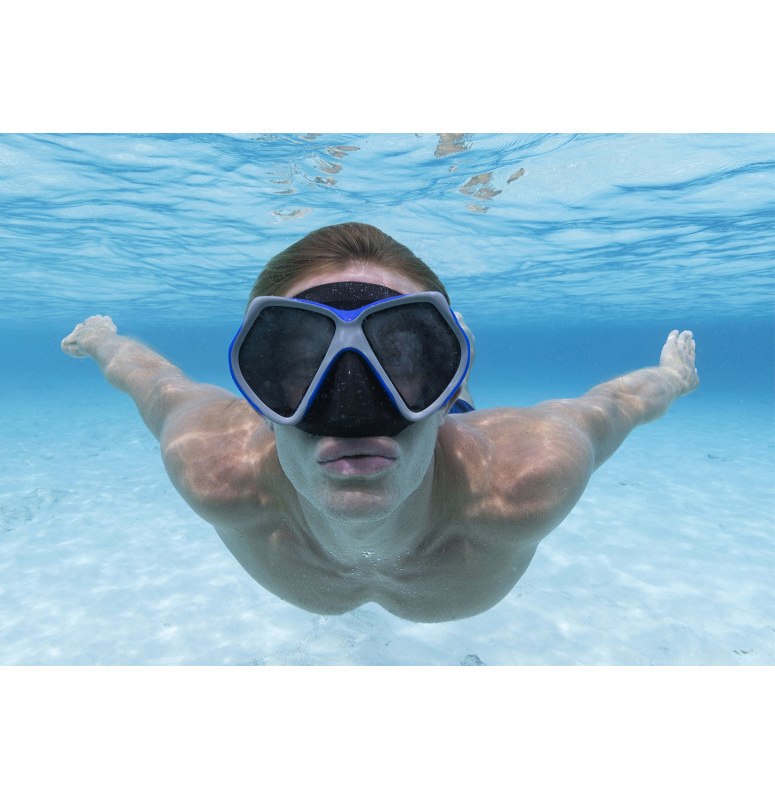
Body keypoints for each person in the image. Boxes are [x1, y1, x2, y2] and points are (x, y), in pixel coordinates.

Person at [61, 223, 698, 622]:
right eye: (300, 362)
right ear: (257, 386)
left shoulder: (523, 480)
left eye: (404, 356)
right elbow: (153, 382)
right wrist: (102, 340)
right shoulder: (215, 467)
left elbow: (617, 405)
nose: (351, 405)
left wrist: (672, 377)